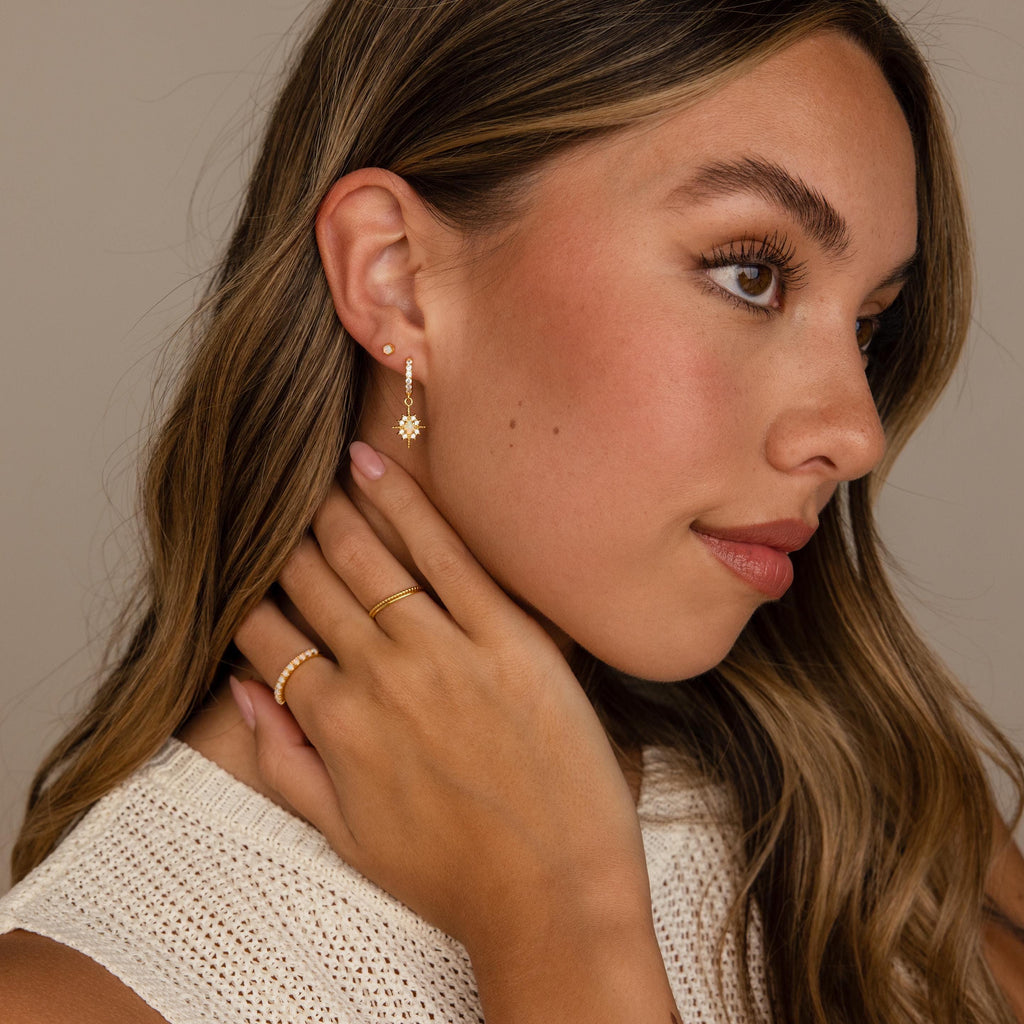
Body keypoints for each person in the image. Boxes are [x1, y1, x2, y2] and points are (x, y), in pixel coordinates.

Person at [1, 0, 1022, 1021]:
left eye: (869, 324)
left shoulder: (884, 834)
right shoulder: (82, 991)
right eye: (749, 273)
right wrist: (558, 920)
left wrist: (562, 926)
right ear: (395, 278)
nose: (853, 431)